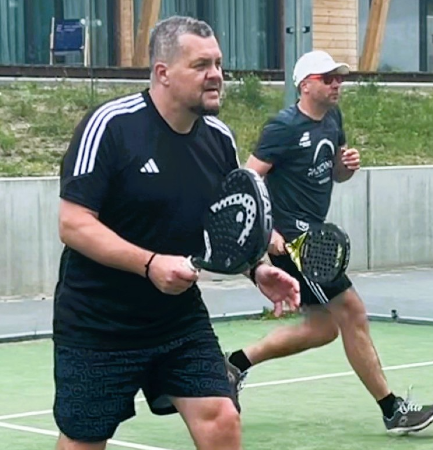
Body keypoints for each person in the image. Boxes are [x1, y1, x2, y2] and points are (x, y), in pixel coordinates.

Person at [52, 15, 300, 450]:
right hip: (98, 321)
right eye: (201, 65)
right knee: (83, 441)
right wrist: (149, 264)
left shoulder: (219, 139)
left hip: (177, 319)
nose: (216, 75)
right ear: (163, 72)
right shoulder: (110, 125)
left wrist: (256, 269)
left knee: (221, 416)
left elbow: (225, 222)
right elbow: (73, 224)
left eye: (218, 63)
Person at [225, 50, 433, 434]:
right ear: (305, 85)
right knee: (352, 310)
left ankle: (234, 364)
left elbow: (335, 174)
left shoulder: (332, 120)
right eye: (327, 78)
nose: (336, 84)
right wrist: (267, 232)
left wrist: (346, 168)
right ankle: (392, 409)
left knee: (323, 328)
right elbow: (246, 181)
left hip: (316, 239)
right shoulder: (282, 127)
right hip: (293, 245)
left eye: (339, 77)